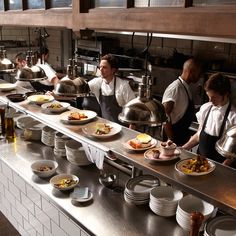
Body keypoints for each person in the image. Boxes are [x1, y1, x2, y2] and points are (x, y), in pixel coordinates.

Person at [182, 73, 236, 166]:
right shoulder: (205, 108)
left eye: (214, 97)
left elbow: (233, 153)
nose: (210, 100)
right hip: (200, 163)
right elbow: (199, 134)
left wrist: (223, 168)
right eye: (208, 96)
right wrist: (183, 148)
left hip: (221, 167)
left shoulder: (234, 117)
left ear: (225, 94)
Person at [162, 58, 202, 146]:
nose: (200, 76)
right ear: (191, 72)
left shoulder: (185, 87)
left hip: (181, 135)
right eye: (198, 73)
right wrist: (170, 138)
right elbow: (164, 114)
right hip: (173, 137)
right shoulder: (175, 88)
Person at [86, 54, 136, 123]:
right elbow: (82, 87)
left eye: (104, 67)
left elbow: (133, 109)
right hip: (105, 125)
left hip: (122, 127)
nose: (101, 69)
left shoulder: (123, 86)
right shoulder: (97, 82)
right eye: (100, 67)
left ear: (113, 70)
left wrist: (132, 127)